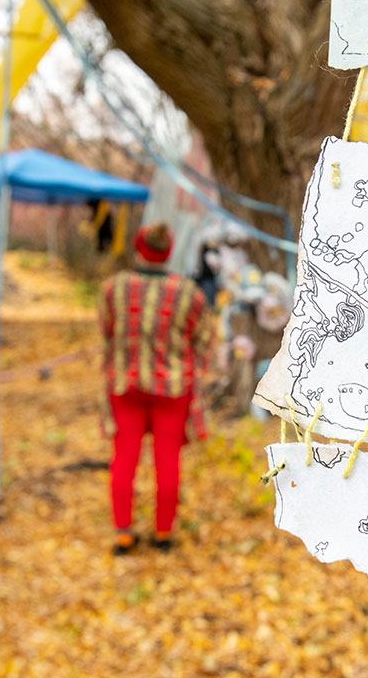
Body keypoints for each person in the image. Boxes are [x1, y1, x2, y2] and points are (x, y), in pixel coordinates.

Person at [97, 221, 212, 555]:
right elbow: (202, 341)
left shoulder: (112, 288)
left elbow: (107, 333)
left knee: (123, 459)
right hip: (173, 389)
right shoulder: (189, 293)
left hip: (125, 383)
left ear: (139, 247)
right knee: (167, 461)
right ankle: (163, 534)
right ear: (168, 251)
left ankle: (123, 533)